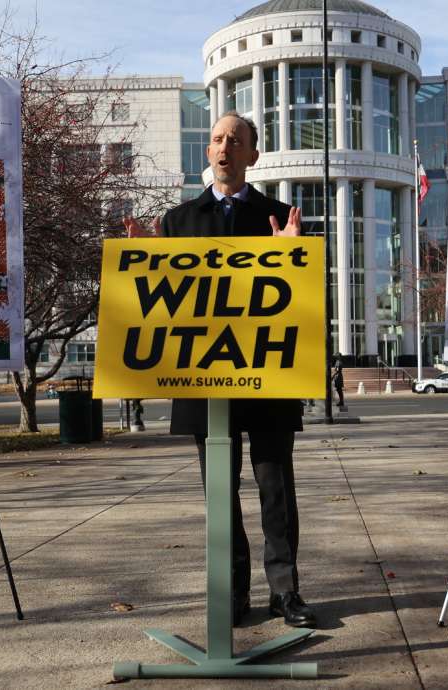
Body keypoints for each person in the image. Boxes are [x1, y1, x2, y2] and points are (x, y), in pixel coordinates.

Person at [123, 112, 315, 629]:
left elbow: (303, 302)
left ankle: (285, 592)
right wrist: (143, 259)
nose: (225, 146)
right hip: (204, 383)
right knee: (220, 495)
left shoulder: (282, 218)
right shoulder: (176, 223)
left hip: (268, 378)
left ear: (252, 155)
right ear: (207, 153)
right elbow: (159, 305)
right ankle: (232, 592)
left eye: (235, 140)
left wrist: (294, 253)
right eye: (217, 139)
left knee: (276, 489)